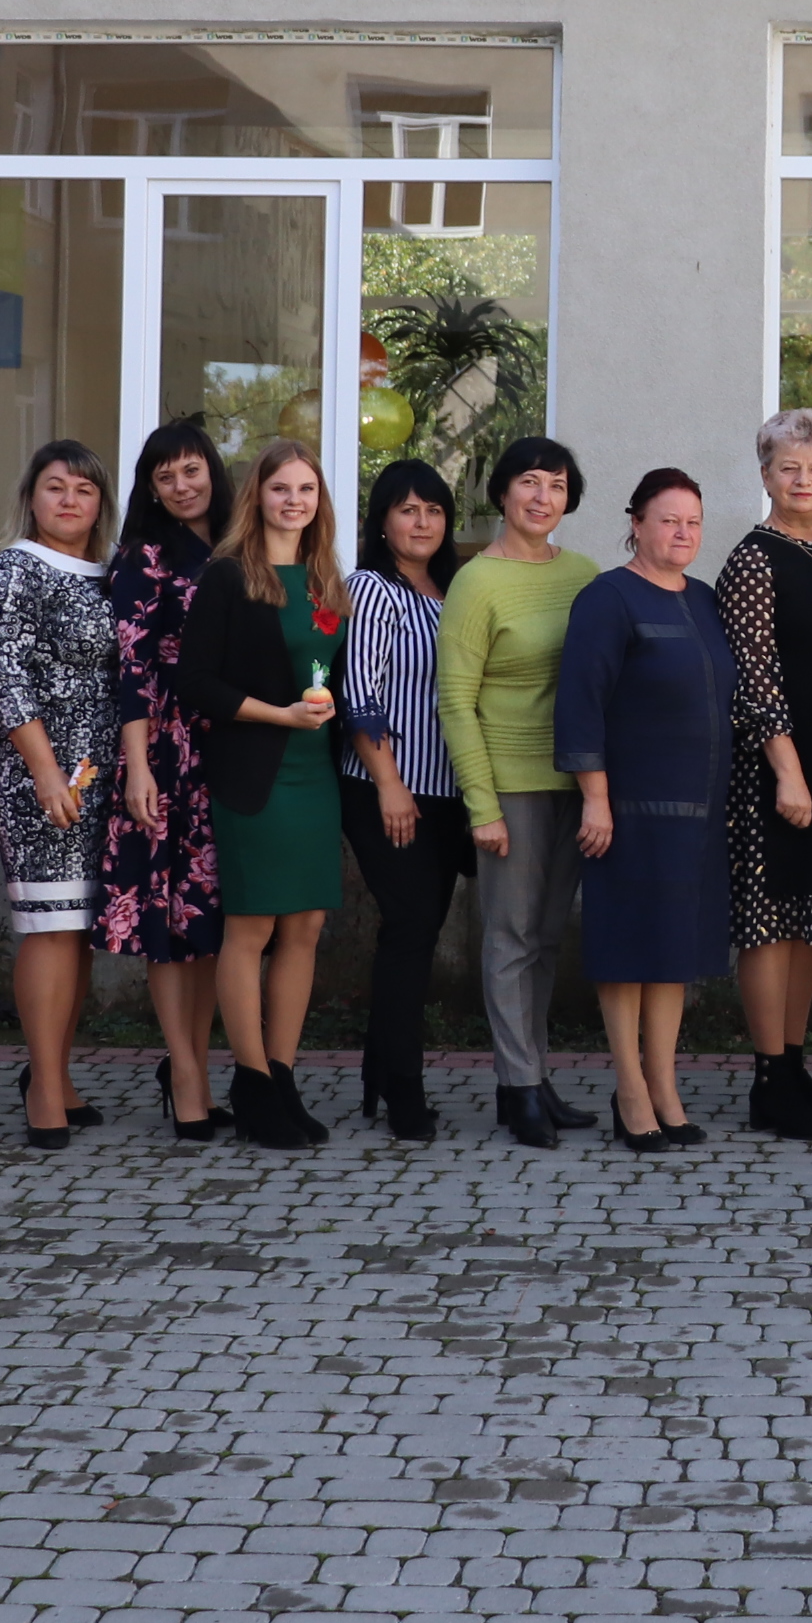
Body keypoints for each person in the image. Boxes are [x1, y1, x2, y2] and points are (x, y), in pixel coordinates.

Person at [560, 469, 740, 1149]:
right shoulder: (607, 598)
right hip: (629, 809)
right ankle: (630, 1089)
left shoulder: (704, 599)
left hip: (699, 811)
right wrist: (595, 801)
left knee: (674, 951)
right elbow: (581, 704)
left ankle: (665, 1086)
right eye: (669, 520)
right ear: (636, 524)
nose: (683, 533)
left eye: (693, 522)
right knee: (627, 949)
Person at [181, 439, 349, 1152]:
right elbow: (195, 682)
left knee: (305, 925)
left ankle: (281, 1079)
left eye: (306, 490)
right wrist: (279, 715)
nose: (293, 501)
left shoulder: (326, 579)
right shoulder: (227, 576)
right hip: (255, 771)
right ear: (259, 496)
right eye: (281, 488)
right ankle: (250, 1082)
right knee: (251, 929)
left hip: (316, 773)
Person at [440, 435, 602, 1148]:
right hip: (509, 786)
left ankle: (533, 1078)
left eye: (558, 486)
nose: (543, 497)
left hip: (576, 782)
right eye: (531, 482)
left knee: (546, 939)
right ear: (503, 492)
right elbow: (455, 701)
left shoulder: (584, 574)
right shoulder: (476, 582)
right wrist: (482, 806)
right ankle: (518, 1083)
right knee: (510, 938)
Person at [716, 409, 812, 1142]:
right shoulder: (752, 560)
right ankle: (768, 1080)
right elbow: (754, 679)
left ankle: (796, 1066)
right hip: (774, 763)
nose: (803, 480)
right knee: (769, 921)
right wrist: (788, 773)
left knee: (811, 917)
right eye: (789, 468)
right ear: (766, 475)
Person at [0, 440, 119, 1148]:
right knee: (50, 925)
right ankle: (40, 1089)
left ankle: (58, 1076)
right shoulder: (14, 570)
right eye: (55, 486)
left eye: (84, 489)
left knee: (79, 928)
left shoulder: (109, 575)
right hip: (40, 777)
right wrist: (44, 772)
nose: (69, 500)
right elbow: (5, 678)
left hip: (101, 776)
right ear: (31, 497)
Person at [101, 418, 231, 1139]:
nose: (182, 486)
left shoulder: (238, 544)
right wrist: (139, 767)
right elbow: (134, 669)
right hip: (166, 750)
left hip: (230, 748)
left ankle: (199, 1066)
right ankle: (182, 1072)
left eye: (191, 470)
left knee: (211, 922)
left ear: (212, 470)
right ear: (150, 489)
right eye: (165, 476)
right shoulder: (142, 557)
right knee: (169, 918)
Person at [341, 457, 475, 1142]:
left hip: (446, 791)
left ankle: (379, 1072)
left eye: (434, 510)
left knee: (414, 934)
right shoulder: (372, 589)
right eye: (407, 509)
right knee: (412, 930)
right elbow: (357, 693)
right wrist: (390, 783)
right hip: (387, 789)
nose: (422, 522)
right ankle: (404, 1093)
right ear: (383, 521)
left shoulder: (451, 591)